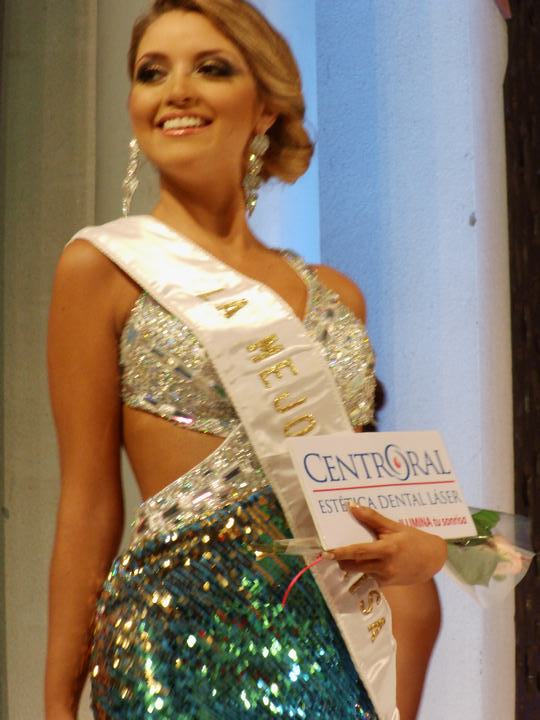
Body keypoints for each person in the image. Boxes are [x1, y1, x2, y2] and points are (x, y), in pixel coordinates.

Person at [44, 1, 446, 718]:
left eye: (211, 68)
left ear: (264, 107)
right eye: (152, 72)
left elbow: (368, 495)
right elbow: (88, 503)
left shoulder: (337, 295)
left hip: (337, 645)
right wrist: (54, 702)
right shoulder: (101, 269)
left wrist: (430, 553)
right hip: (174, 644)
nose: (176, 91)